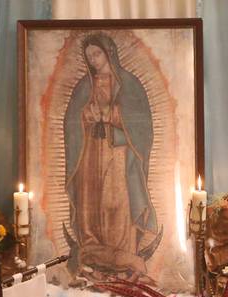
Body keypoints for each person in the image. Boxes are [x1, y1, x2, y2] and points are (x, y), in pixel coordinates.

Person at [63, 33, 161, 281]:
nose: (94, 60)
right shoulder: (84, 86)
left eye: (97, 54)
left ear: (109, 52)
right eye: (89, 57)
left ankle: (125, 257)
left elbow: (142, 123)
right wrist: (86, 115)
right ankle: (93, 255)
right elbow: (71, 121)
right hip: (89, 155)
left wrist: (112, 115)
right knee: (91, 206)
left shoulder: (129, 84)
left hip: (118, 154)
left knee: (116, 205)